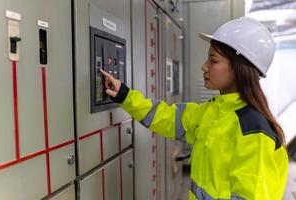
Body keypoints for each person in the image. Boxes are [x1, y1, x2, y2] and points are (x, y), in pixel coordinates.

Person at [100, 17, 288, 200]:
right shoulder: (211, 112)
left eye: (213, 60)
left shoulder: (254, 132)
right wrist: (124, 95)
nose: (204, 66)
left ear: (239, 67)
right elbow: (165, 116)